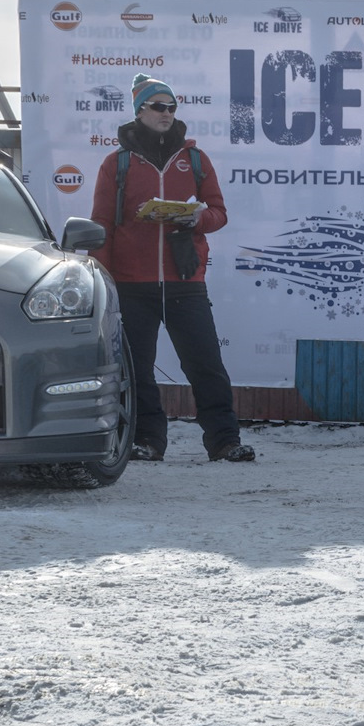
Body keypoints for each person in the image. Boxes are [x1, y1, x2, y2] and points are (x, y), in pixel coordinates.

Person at [89, 73, 255, 463]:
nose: (167, 113)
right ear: (139, 112)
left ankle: (224, 441)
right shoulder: (117, 164)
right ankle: (147, 440)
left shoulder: (195, 159)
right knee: (139, 370)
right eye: (159, 106)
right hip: (132, 285)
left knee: (207, 365)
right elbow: (102, 227)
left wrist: (196, 219)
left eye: (172, 107)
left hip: (186, 282)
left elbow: (219, 213)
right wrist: (106, 281)